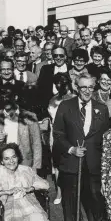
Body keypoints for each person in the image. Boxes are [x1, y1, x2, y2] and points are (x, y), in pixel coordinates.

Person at [53, 73, 110, 221]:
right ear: (77, 87)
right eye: (83, 87)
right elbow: (58, 133)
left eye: (90, 87)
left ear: (95, 88)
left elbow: (105, 136)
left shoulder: (102, 107)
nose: (87, 90)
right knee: (70, 200)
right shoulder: (65, 106)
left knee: (95, 198)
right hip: (71, 162)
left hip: (93, 162)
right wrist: (71, 149)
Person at [48, 72, 76, 205]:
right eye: (57, 83)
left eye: (63, 82)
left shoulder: (74, 98)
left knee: (71, 162)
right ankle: (59, 192)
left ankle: (73, 193)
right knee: (57, 164)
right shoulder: (53, 99)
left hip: (70, 134)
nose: (60, 85)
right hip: (55, 134)